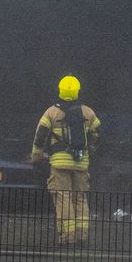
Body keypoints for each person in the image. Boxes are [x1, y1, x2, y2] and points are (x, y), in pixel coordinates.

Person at [30, 74, 101, 245]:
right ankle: (82, 236)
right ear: (78, 91)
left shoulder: (51, 112)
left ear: (60, 90)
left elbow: (40, 138)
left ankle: (68, 237)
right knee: (80, 197)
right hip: (81, 163)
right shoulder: (88, 112)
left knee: (63, 197)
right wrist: (88, 153)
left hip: (59, 164)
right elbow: (96, 136)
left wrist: (36, 158)